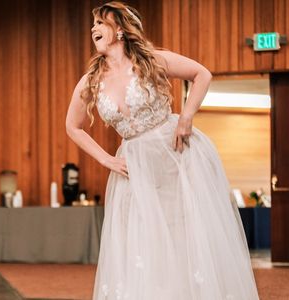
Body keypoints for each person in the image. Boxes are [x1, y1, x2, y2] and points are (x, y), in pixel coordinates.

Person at [65, 2, 259, 299]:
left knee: (184, 232)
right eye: (93, 24)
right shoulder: (91, 80)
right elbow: (72, 125)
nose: (93, 28)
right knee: (145, 239)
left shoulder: (152, 60)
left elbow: (201, 74)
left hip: (175, 154)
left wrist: (186, 117)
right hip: (134, 167)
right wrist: (105, 158)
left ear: (119, 29)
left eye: (101, 23)